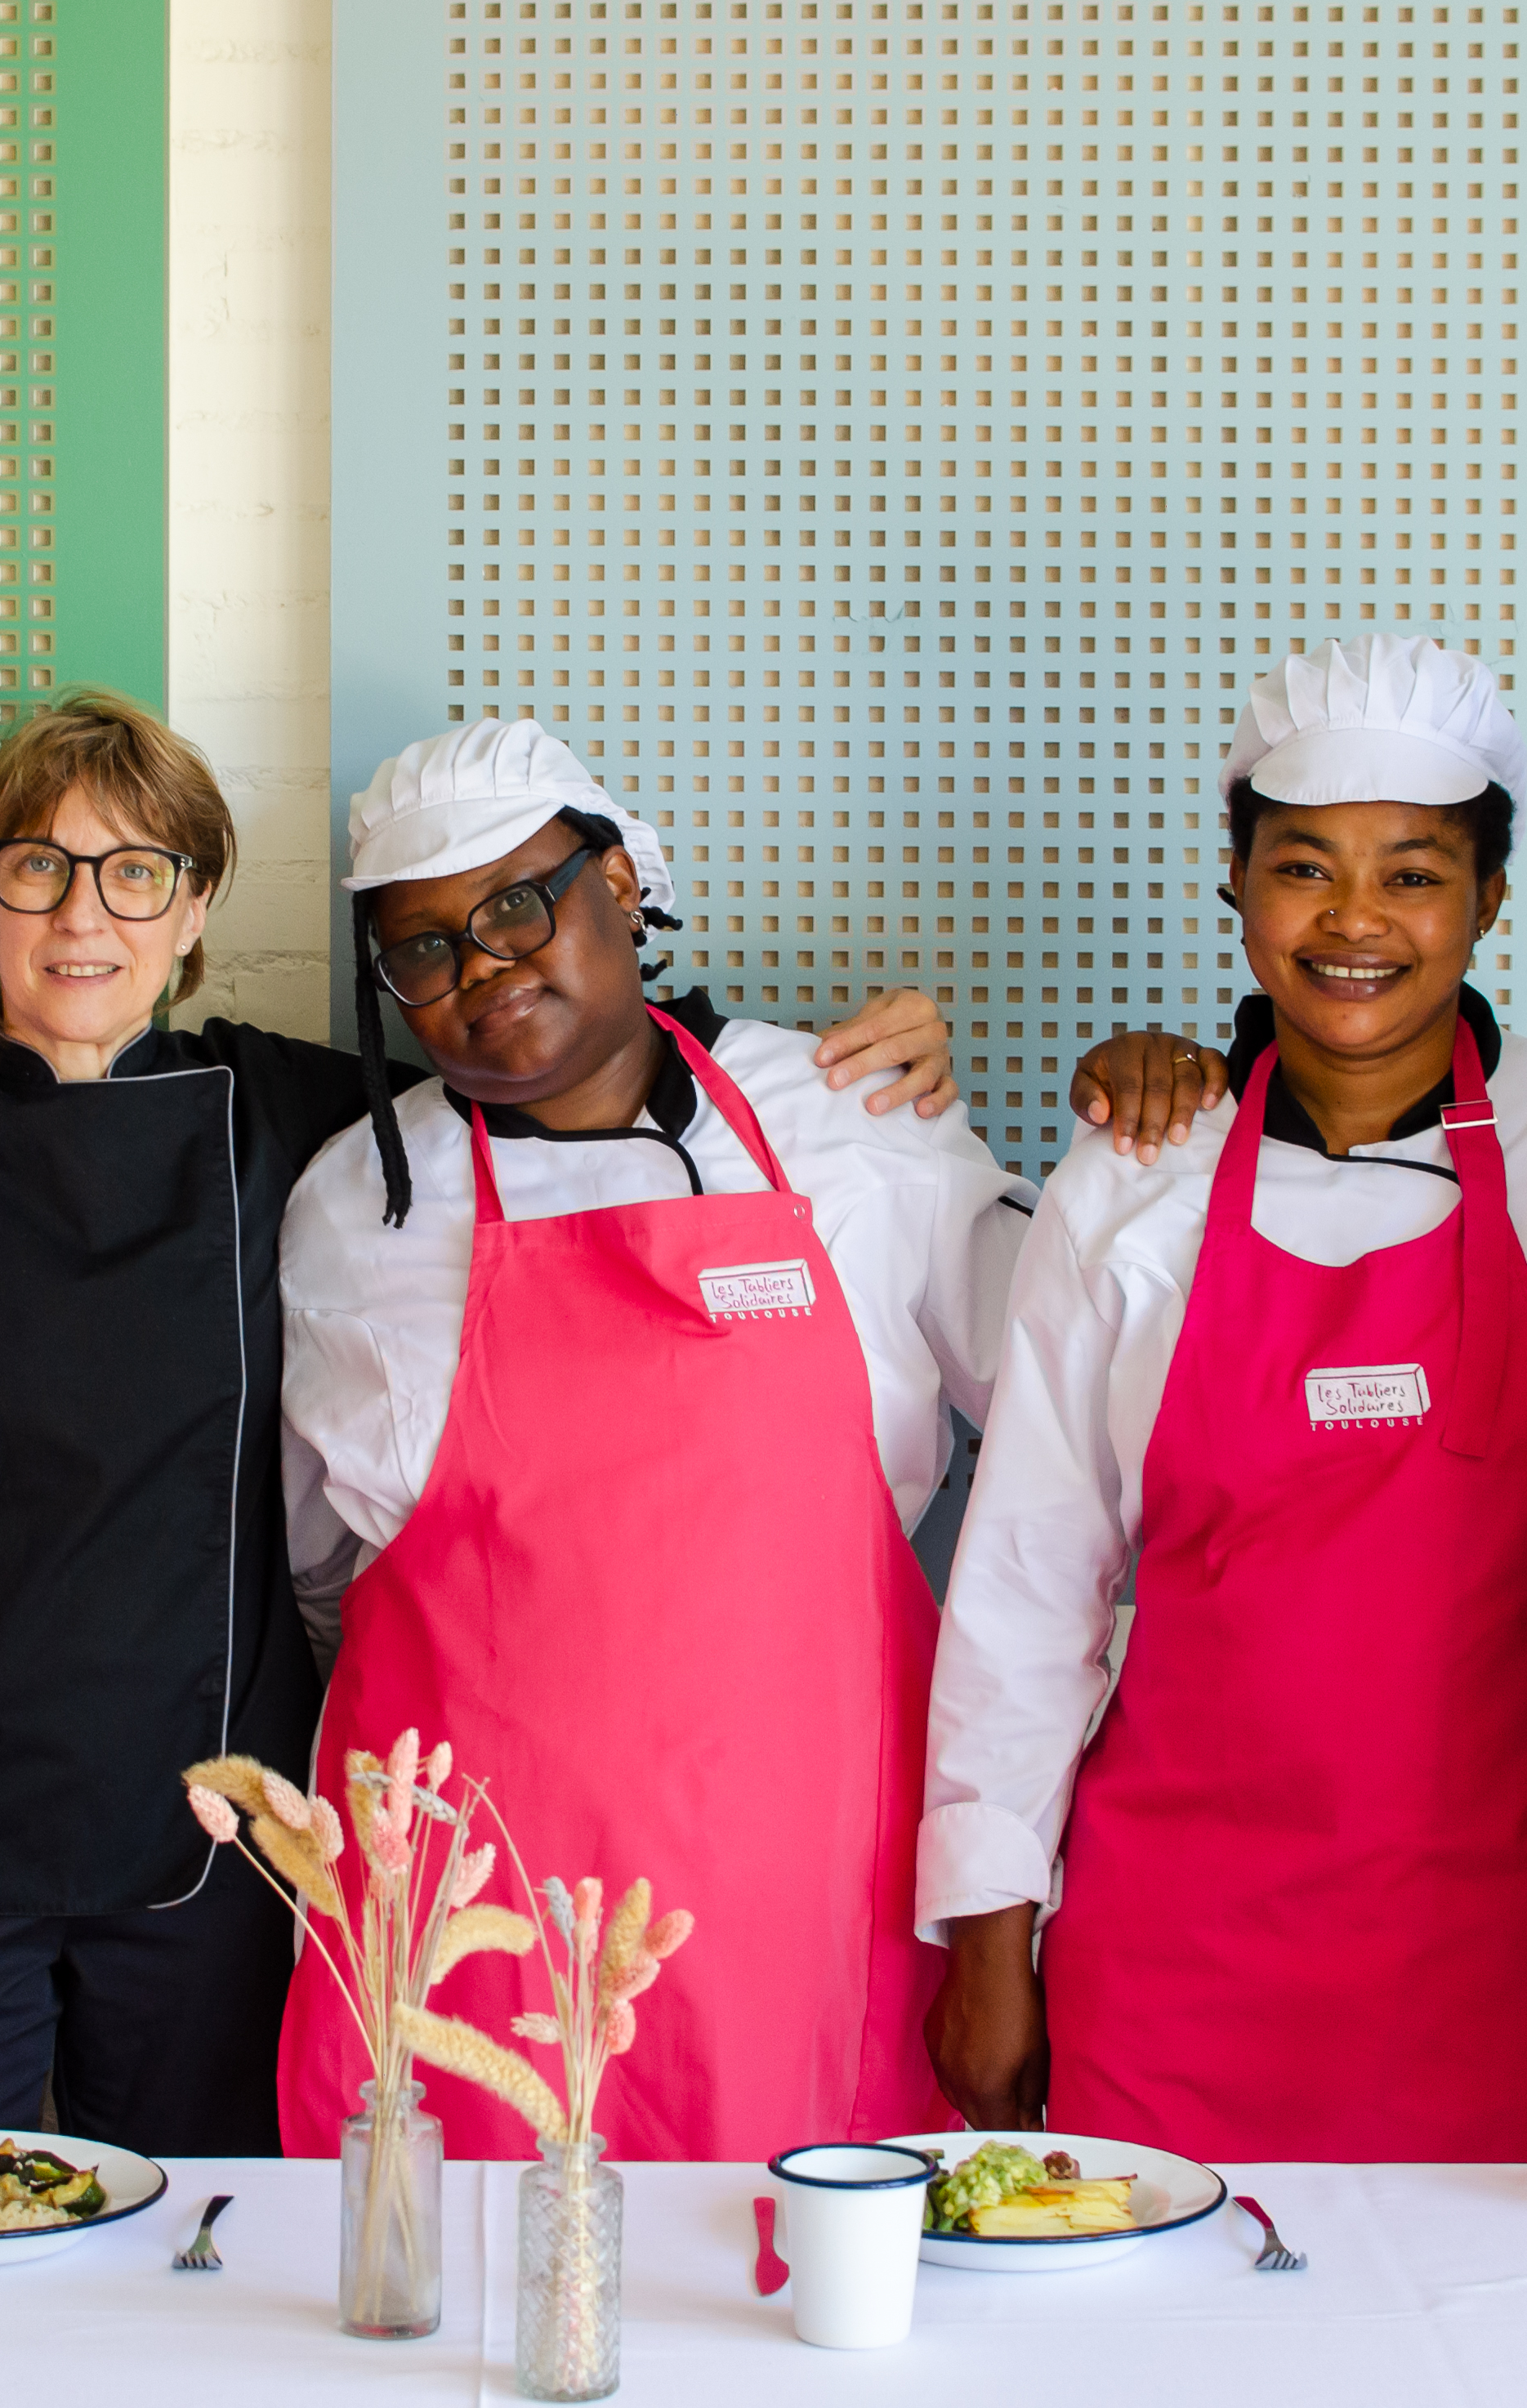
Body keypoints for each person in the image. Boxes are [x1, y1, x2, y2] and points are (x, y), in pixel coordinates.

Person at [0, 699, 960, 2153]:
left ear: (198, 906)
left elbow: (564, 1072)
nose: (85, 913)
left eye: (137, 870)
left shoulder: (295, 1123)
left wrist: (890, 1055)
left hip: (230, 1836)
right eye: (36, 867)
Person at [913, 634, 1527, 2164]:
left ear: (1491, 894)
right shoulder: (1138, 1175)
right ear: (1235, 885)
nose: (1354, 921)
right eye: (1302, 868)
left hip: (1515, 1951)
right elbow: (1024, 1583)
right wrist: (989, 1942)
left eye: (1412, 872)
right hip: (1175, 1958)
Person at [275, 720, 1028, 2162]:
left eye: (514, 904)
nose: (481, 968)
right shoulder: (356, 1210)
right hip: (479, 1928)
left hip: (812, 1896)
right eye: (422, 948)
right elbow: (328, 1573)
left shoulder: (849, 1116)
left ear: (622, 882)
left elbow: (1069, 1451)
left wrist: (1160, 1113)